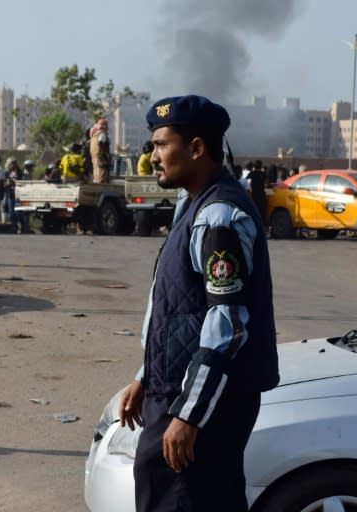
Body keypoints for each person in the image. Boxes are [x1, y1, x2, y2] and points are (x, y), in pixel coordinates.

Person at [118, 95, 279, 512]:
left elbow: (227, 324)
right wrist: (146, 375)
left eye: (160, 145)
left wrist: (189, 415)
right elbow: (179, 309)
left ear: (196, 148)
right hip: (173, 390)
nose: (153, 157)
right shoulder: (193, 204)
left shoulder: (219, 216)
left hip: (202, 403)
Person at [89, 118, 111, 183]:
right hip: (100, 156)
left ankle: (96, 184)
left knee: (96, 172)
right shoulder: (102, 134)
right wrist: (105, 154)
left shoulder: (94, 135)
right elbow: (100, 143)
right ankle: (100, 186)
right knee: (101, 173)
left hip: (94, 156)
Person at [3, 158, 20, 231]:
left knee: (16, 211)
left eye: (14, 163)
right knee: (9, 210)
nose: (12, 165)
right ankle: (12, 225)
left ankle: (16, 225)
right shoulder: (7, 172)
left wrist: (14, 182)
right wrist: (7, 183)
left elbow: (21, 181)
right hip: (9, 193)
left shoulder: (19, 172)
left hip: (18, 194)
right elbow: (4, 182)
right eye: (11, 164)